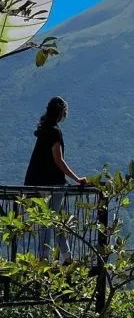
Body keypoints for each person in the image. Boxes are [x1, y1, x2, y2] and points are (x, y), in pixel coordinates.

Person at [23, 96, 87, 264]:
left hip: (36, 181)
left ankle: (65, 256)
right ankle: (47, 257)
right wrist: (76, 179)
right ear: (61, 113)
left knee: (49, 218)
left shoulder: (43, 129)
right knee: (51, 219)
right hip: (53, 183)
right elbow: (58, 160)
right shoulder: (55, 132)